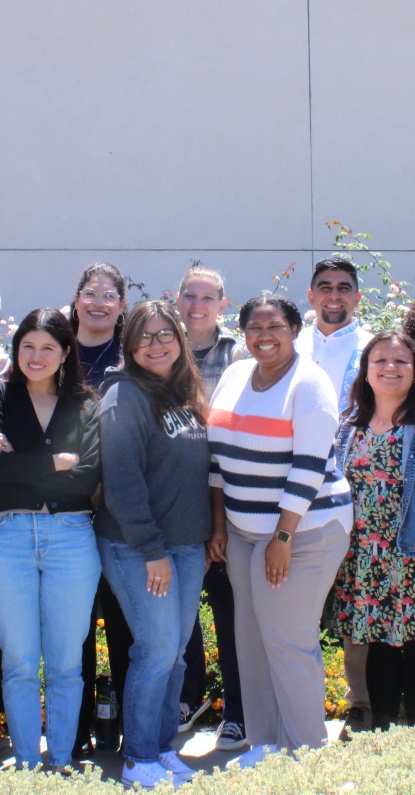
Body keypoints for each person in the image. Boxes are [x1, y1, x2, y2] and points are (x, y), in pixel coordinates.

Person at [207, 293, 353, 768]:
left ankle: (306, 756)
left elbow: (309, 468)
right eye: (255, 327)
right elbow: (216, 461)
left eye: (275, 327)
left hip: (304, 533)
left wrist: (282, 539)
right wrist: (219, 524)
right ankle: (264, 747)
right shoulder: (233, 375)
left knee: (288, 642)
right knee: (249, 639)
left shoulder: (308, 382)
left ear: (294, 330)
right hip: (245, 532)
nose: (264, 336)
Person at [0, 308, 101, 772]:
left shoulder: (85, 404)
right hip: (6, 537)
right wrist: (54, 464)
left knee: (67, 662)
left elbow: (86, 476)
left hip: (70, 537)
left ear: (66, 352)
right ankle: (27, 763)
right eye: (28, 345)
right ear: (16, 349)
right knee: (21, 660)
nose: (36, 355)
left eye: (48, 347)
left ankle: (61, 760)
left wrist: (21, 462)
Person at [94, 300, 211, 789]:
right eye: (145, 336)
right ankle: (138, 756)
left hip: (185, 547)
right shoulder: (122, 395)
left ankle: (163, 747)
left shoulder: (182, 393)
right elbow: (120, 482)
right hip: (139, 548)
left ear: (180, 340)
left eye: (166, 334)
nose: (156, 344)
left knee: (176, 652)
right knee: (156, 649)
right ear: (129, 345)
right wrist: (151, 548)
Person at [295, 257, 373, 738]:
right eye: (324, 287)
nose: (334, 295)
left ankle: (360, 702)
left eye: (344, 287)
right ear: (311, 296)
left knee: (355, 599)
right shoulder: (288, 343)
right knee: (294, 602)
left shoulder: (373, 350)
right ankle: (298, 704)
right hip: (290, 491)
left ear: (357, 298)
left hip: (355, 490)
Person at [333, 331, 415, 730]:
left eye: (402, 361)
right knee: (378, 643)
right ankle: (383, 731)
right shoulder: (348, 430)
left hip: (413, 556)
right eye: (381, 360)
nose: (391, 367)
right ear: (365, 372)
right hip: (362, 560)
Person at [176, 267, 247, 750]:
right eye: (189, 295)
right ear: (177, 299)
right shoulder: (160, 347)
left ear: (222, 303)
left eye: (207, 297)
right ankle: (189, 696)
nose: (197, 305)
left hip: (227, 498)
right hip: (176, 497)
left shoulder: (238, 353)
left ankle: (238, 711)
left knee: (228, 609)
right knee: (180, 608)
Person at [68, 262, 131, 757]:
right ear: (76, 299)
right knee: (76, 630)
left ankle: (133, 726)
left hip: (120, 514)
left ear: (122, 306)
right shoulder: (53, 347)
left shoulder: (135, 357)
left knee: (127, 623)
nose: (99, 301)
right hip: (65, 512)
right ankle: (78, 729)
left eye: (109, 294)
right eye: (91, 292)